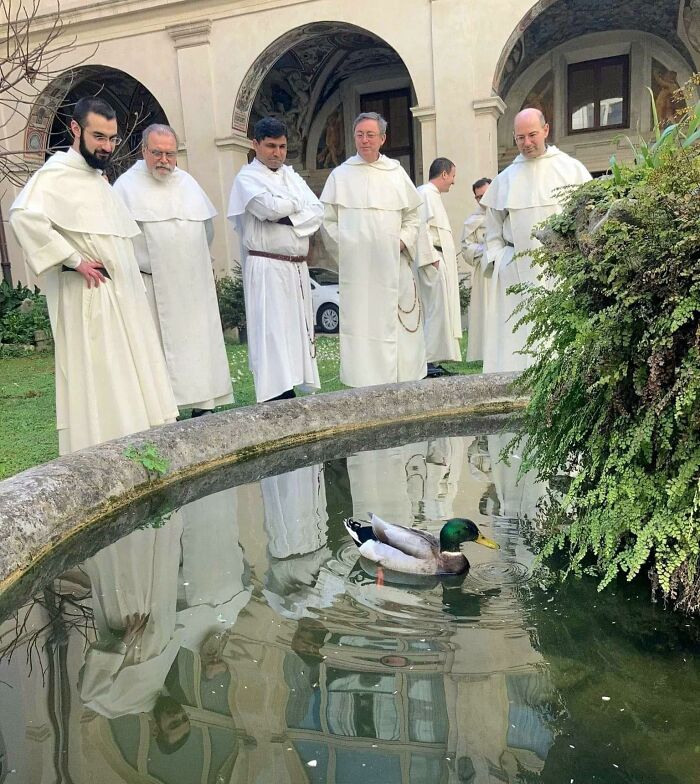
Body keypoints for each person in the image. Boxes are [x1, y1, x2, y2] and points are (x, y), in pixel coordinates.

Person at [9, 97, 178, 453]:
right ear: (76, 128)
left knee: (128, 371)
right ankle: (103, 451)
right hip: (91, 295)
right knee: (101, 373)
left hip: (122, 296)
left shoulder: (96, 178)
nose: (106, 146)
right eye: (98, 136)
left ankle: (136, 443)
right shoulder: (55, 174)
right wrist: (74, 260)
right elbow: (24, 217)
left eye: (112, 138)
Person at [114, 124, 233, 417]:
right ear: (144, 151)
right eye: (157, 153)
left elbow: (206, 231)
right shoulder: (126, 187)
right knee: (158, 355)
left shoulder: (187, 183)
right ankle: (165, 413)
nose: (164, 160)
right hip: (152, 288)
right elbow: (120, 241)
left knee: (198, 350)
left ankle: (203, 406)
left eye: (170, 154)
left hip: (192, 287)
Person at [320, 111, 428, 387]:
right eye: (360, 135)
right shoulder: (340, 175)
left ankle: (405, 382)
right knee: (363, 324)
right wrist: (349, 250)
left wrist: (402, 242)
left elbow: (413, 218)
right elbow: (328, 221)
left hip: (394, 265)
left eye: (370, 135)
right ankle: (364, 382)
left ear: (382, 138)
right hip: (358, 273)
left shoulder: (396, 173)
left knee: (400, 327)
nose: (364, 140)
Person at [481, 108, 591, 373]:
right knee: (517, 340)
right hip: (515, 273)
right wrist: (502, 263)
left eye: (532, 135)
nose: (527, 142)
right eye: (520, 138)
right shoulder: (504, 179)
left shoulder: (571, 170)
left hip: (561, 272)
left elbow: (587, 219)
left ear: (546, 130)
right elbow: (492, 233)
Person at [227, 117, 322, 402]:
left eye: (282, 146)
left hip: (296, 268)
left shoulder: (291, 176)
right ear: (255, 144)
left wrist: (289, 211)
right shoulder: (247, 178)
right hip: (267, 265)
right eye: (270, 146)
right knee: (272, 330)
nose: (277, 153)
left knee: (294, 330)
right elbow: (268, 209)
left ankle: (292, 385)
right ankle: (275, 393)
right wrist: (297, 205)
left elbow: (317, 211)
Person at [417, 158, 462, 375]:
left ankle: (433, 359)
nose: (453, 181)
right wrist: (432, 259)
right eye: (452, 176)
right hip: (433, 261)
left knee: (440, 311)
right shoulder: (425, 193)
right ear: (444, 174)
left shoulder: (432, 195)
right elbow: (421, 228)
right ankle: (427, 361)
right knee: (434, 311)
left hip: (438, 260)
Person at [460, 177, 492, 362]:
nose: (482, 199)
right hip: (484, 269)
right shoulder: (473, 220)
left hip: (505, 268)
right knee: (484, 309)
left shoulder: (505, 212)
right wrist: (485, 250)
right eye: (478, 197)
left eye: (485, 194)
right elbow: (466, 247)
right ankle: (484, 352)